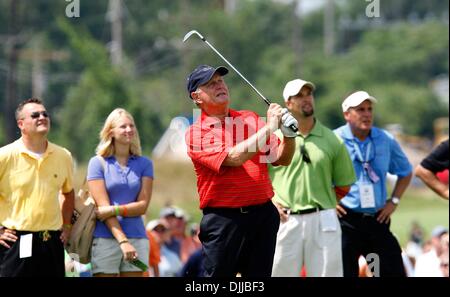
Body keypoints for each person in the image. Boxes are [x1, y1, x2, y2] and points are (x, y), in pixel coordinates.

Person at [185, 64, 297, 277]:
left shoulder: (250, 118)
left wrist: (289, 136)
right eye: (211, 84)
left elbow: (282, 158)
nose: (220, 86)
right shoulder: (195, 133)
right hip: (223, 221)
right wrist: (270, 127)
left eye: (220, 81)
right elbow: (234, 158)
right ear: (196, 97)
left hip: (262, 216)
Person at [269, 79, 356, 277]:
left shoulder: (332, 139)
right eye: (299, 95)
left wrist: (327, 201)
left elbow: (344, 184)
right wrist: (271, 202)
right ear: (288, 103)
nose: (306, 99)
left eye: (308, 94)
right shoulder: (275, 137)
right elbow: (259, 178)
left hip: (323, 218)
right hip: (285, 220)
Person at [334, 90, 413, 277]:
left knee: (388, 269)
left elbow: (406, 171)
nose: (367, 114)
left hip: (377, 220)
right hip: (347, 221)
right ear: (347, 114)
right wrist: (331, 200)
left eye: (369, 109)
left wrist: (394, 201)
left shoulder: (385, 139)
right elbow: (318, 175)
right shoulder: (335, 139)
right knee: (345, 273)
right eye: (360, 109)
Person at [0, 98, 75, 277]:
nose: (42, 117)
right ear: (21, 124)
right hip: (16, 241)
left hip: (51, 241)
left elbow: (68, 193)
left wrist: (66, 226)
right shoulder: (4, 156)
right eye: (35, 115)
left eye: (45, 114)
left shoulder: (63, 155)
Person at [87, 108, 153, 277]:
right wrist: (123, 241)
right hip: (104, 240)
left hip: (138, 239)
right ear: (111, 131)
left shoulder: (145, 164)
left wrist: (114, 209)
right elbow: (103, 210)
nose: (129, 130)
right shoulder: (97, 163)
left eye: (132, 126)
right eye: (123, 126)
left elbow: (142, 206)